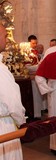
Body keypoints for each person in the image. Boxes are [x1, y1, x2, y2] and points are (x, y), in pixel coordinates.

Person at [0, 24, 26, 159]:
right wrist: (22, 123)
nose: (7, 40)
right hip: (3, 128)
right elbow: (14, 105)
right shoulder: (1, 70)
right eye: (4, 36)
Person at [26, 35, 46, 119]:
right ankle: (35, 114)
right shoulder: (26, 52)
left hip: (36, 75)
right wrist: (40, 66)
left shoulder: (35, 53)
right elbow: (27, 66)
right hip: (32, 77)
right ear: (29, 43)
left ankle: (38, 113)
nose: (35, 45)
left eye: (36, 43)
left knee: (38, 96)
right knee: (34, 96)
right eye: (33, 43)